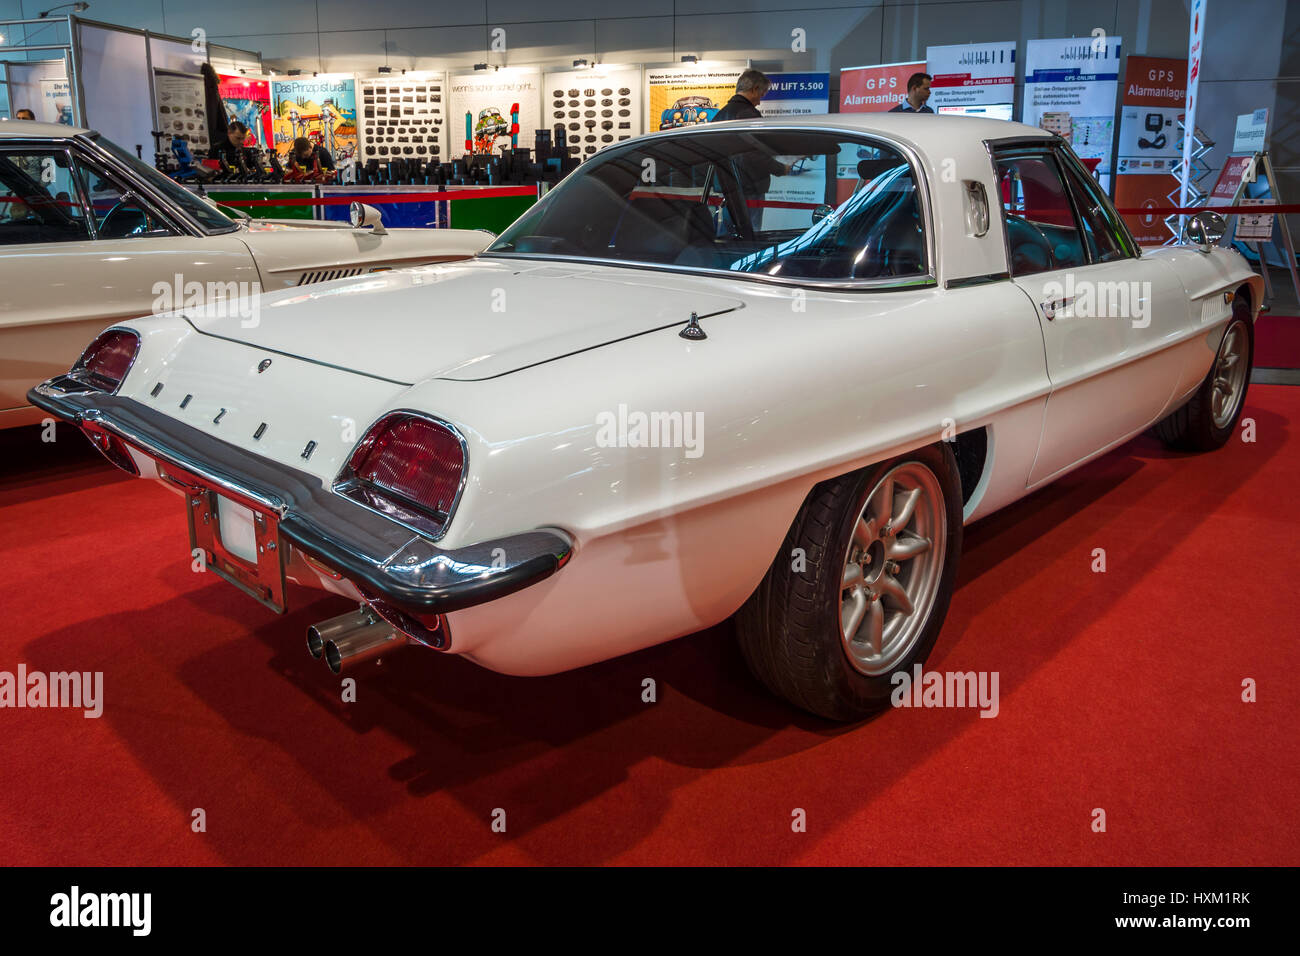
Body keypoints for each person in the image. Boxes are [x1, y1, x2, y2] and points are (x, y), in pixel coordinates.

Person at [711, 69, 792, 231]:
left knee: (727, 233)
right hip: (749, 186)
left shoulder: (720, 115)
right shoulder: (748, 114)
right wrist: (780, 168)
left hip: (727, 186)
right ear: (754, 89)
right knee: (750, 236)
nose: (760, 102)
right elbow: (753, 154)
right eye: (761, 94)